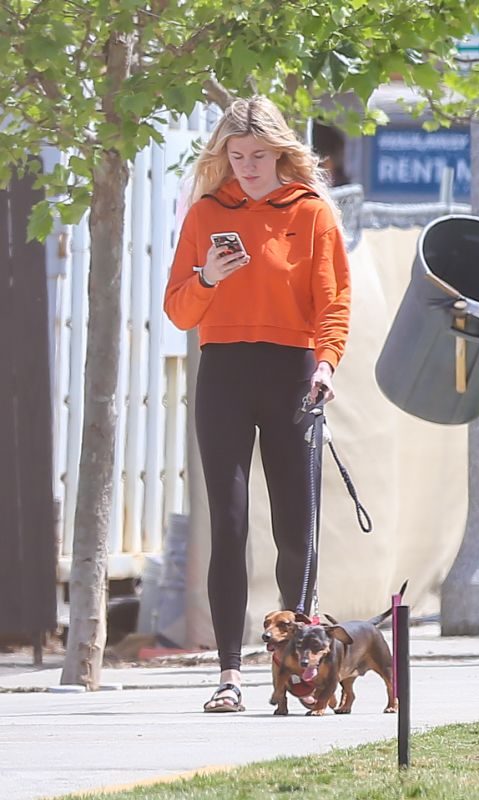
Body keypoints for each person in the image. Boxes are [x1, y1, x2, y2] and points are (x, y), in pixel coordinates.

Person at [163, 96, 351, 711]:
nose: (245, 166)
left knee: (296, 529)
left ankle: (298, 670)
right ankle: (229, 675)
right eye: (235, 156)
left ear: (280, 154)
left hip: (293, 371)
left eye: (257, 155)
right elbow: (178, 310)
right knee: (231, 524)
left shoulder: (311, 212)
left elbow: (333, 300)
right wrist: (210, 276)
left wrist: (327, 363)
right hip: (224, 373)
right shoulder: (205, 214)